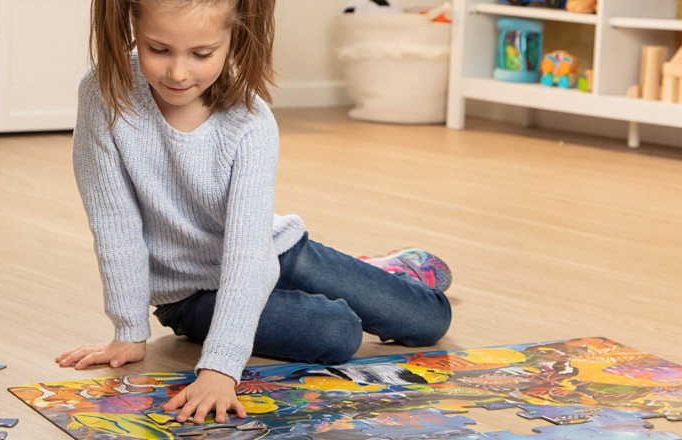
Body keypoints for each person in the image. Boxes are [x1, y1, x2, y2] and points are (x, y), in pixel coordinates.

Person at [56, 0, 452, 426]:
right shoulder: (102, 93)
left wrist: (220, 368)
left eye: (202, 54)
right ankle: (363, 276)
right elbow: (114, 223)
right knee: (338, 333)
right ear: (130, 23)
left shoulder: (250, 120)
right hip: (189, 295)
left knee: (429, 320)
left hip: (273, 250)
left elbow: (249, 252)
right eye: (158, 49)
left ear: (235, 38)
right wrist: (129, 330)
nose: (178, 73)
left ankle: (380, 270)